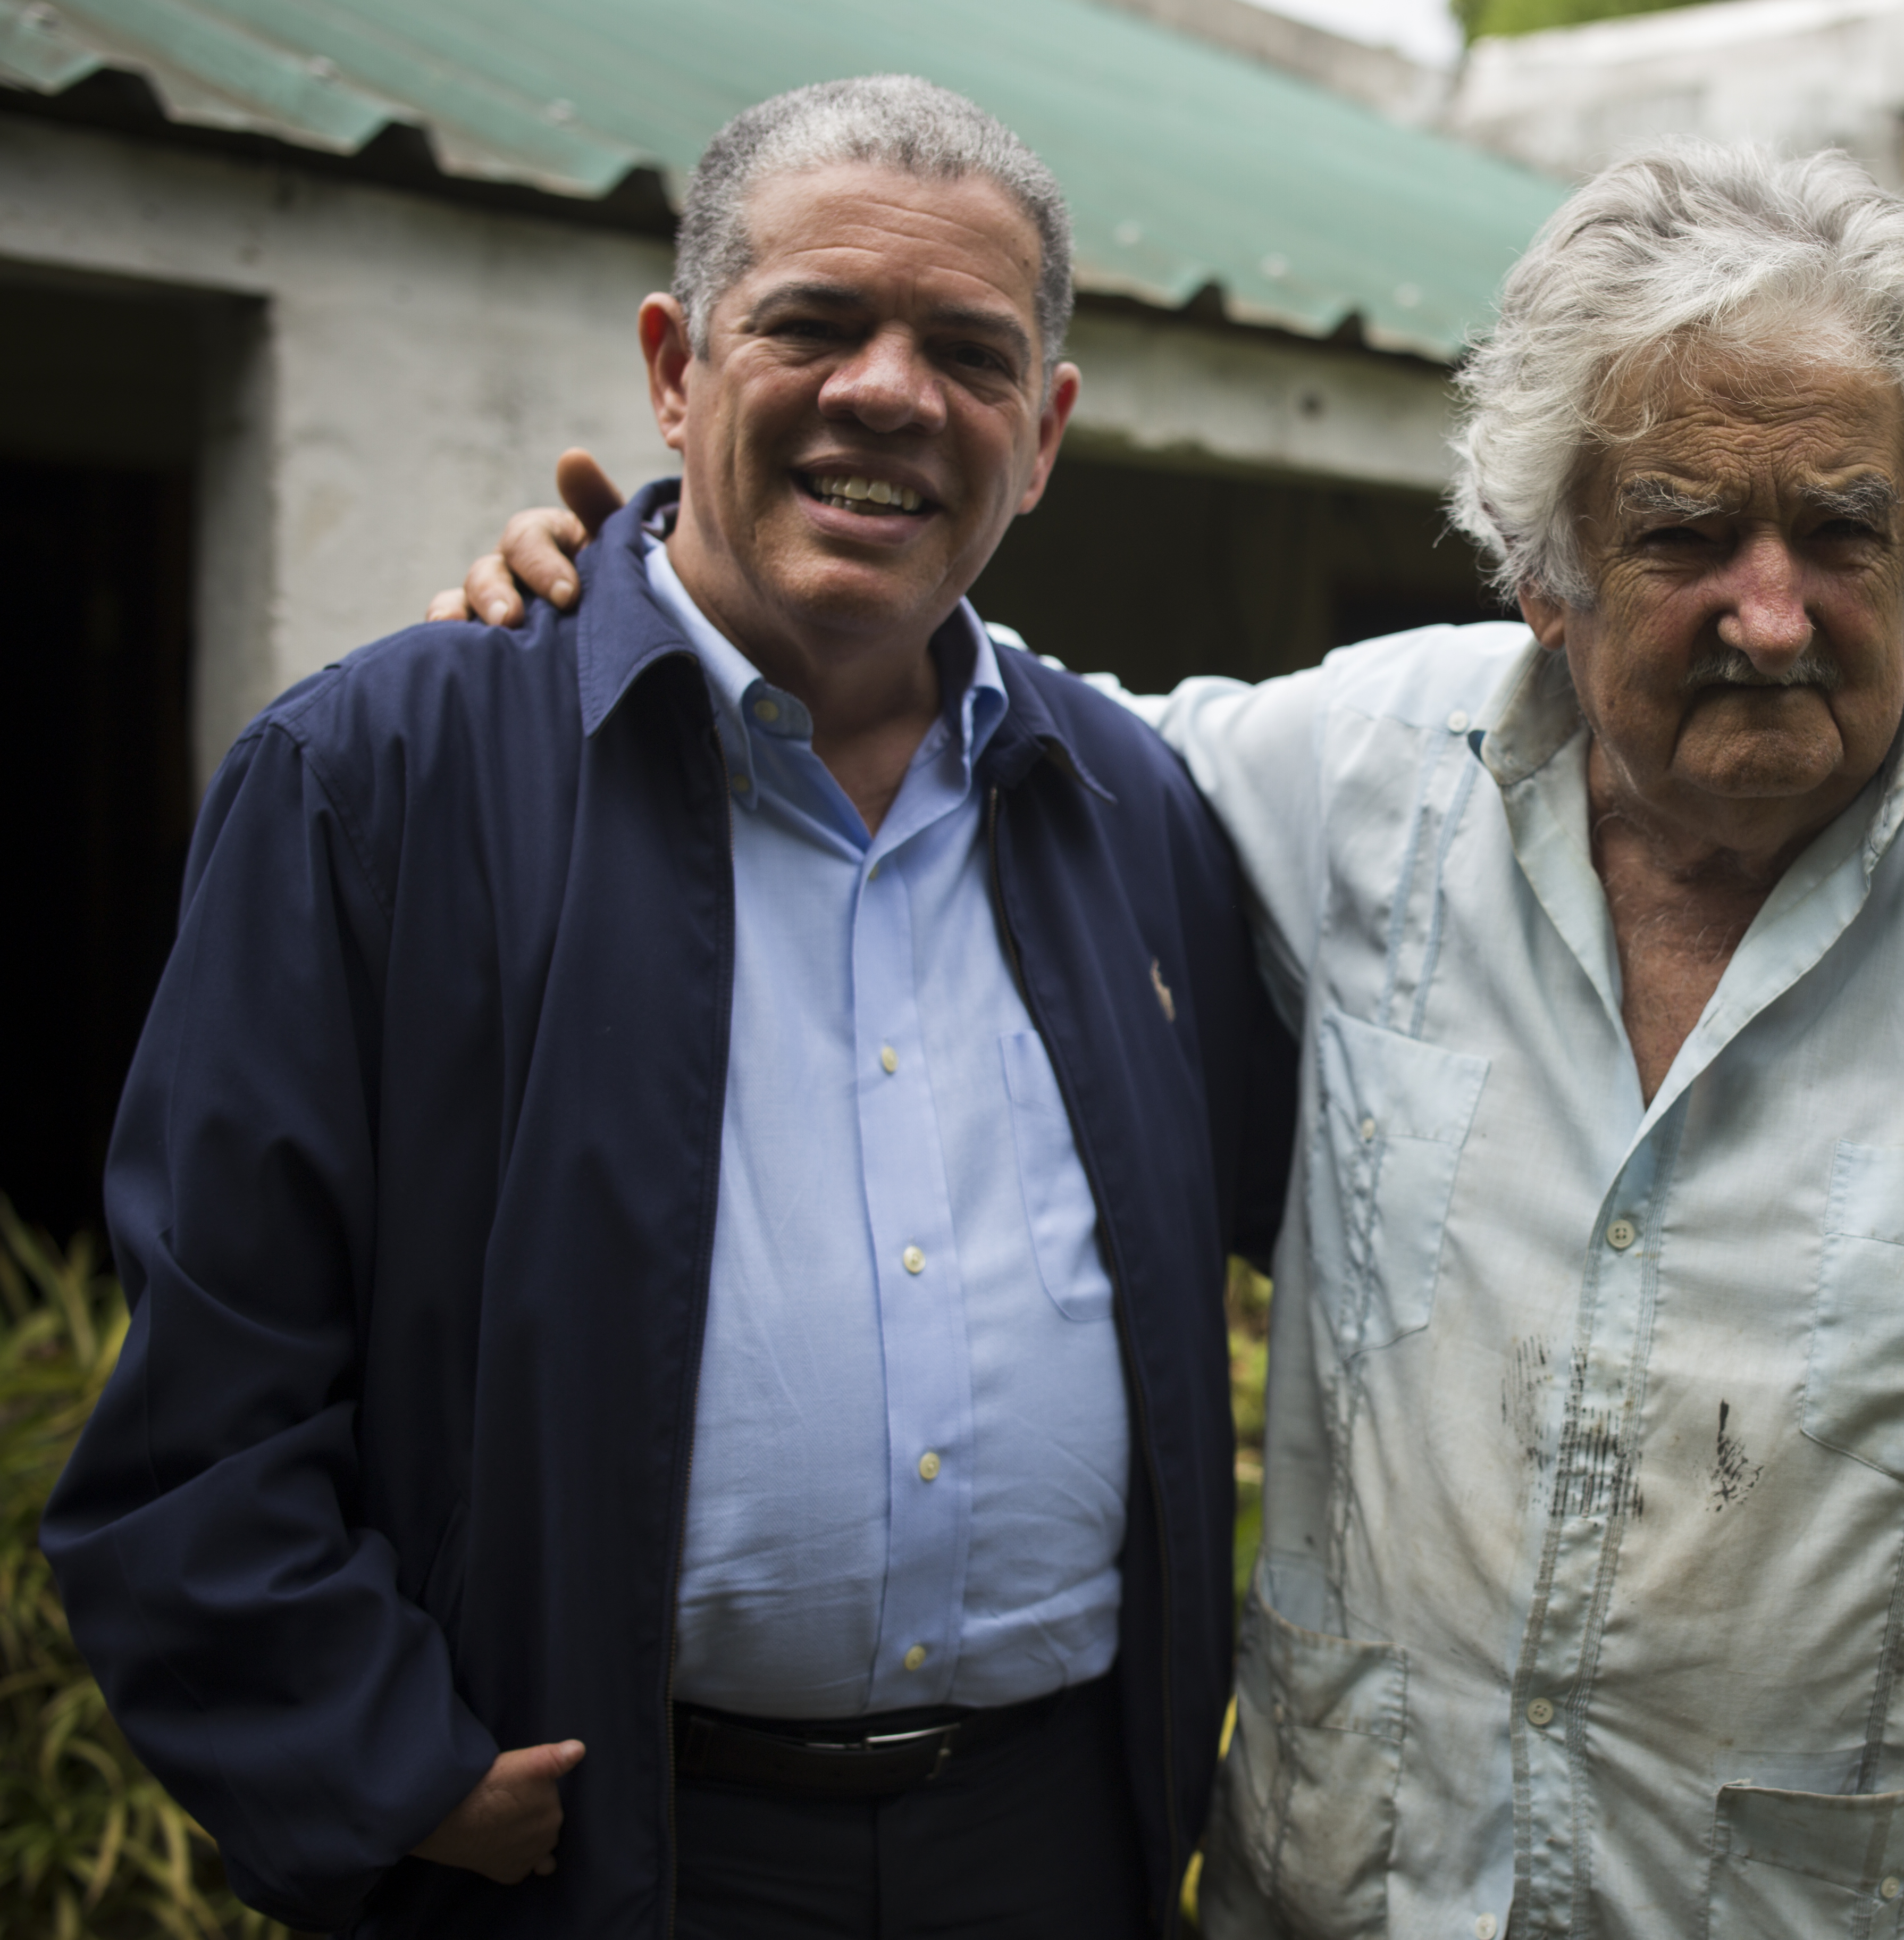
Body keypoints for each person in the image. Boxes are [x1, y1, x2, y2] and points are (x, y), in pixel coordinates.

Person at [449, 143, 1904, 1936]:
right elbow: (947, 697)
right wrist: (648, 590)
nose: (1773, 610)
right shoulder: (1336, 780)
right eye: (1687, 536)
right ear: (1548, 568)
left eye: (1842, 536)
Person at [44, 77, 1290, 1940]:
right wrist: (393, 1771)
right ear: (675, 367)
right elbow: (203, 1402)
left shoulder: (1137, 808)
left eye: (967, 350)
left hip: (1060, 1846)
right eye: (810, 324)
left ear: (1042, 436)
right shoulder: (378, 779)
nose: (887, 392)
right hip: (604, 1858)